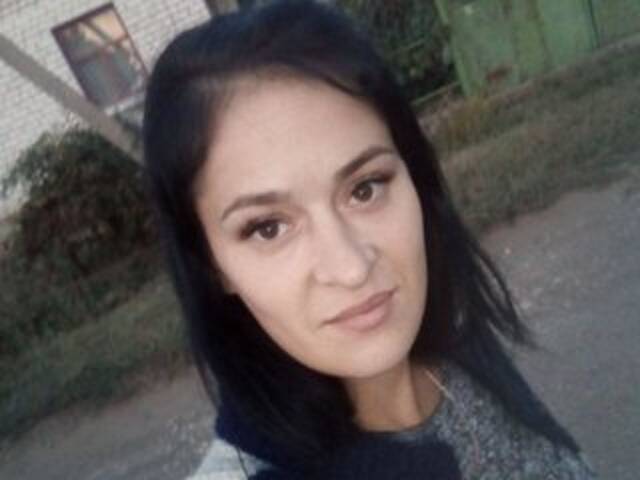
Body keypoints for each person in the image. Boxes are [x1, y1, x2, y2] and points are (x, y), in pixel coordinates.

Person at [143, 1, 598, 478]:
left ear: (413, 175)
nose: (351, 267)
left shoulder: (456, 338)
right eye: (268, 227)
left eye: (365, 188)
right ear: (211, 264)